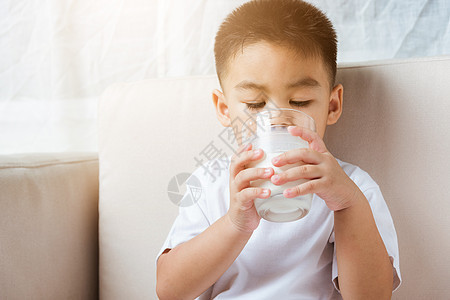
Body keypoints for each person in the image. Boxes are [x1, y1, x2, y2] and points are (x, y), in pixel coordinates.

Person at [156, 0, 401, 299]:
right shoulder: (211, 182)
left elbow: (372, 296)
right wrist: (235, 222)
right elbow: (169, 290)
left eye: (299, 102)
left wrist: (347, 205)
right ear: (224, 108)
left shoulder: (352, 187)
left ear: (332, 106)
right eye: (255, 104)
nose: (277, 121)